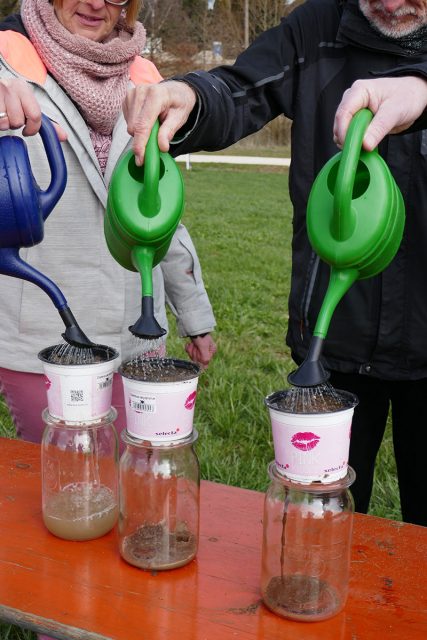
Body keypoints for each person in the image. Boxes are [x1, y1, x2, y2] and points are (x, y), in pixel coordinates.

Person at [123, 0, 427, 526]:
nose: (391, 2)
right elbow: (241, 89)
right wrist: (191, 97)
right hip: (332, 346)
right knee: (318, 528)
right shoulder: (315, 29)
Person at [0, 0, 217, 448]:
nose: (97, 3)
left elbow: (160, 210)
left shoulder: (148, 79)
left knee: (135, 476)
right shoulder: (6, 59)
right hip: (42, 337)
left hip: (138, 331)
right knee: (63, 482)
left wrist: (194, 316)